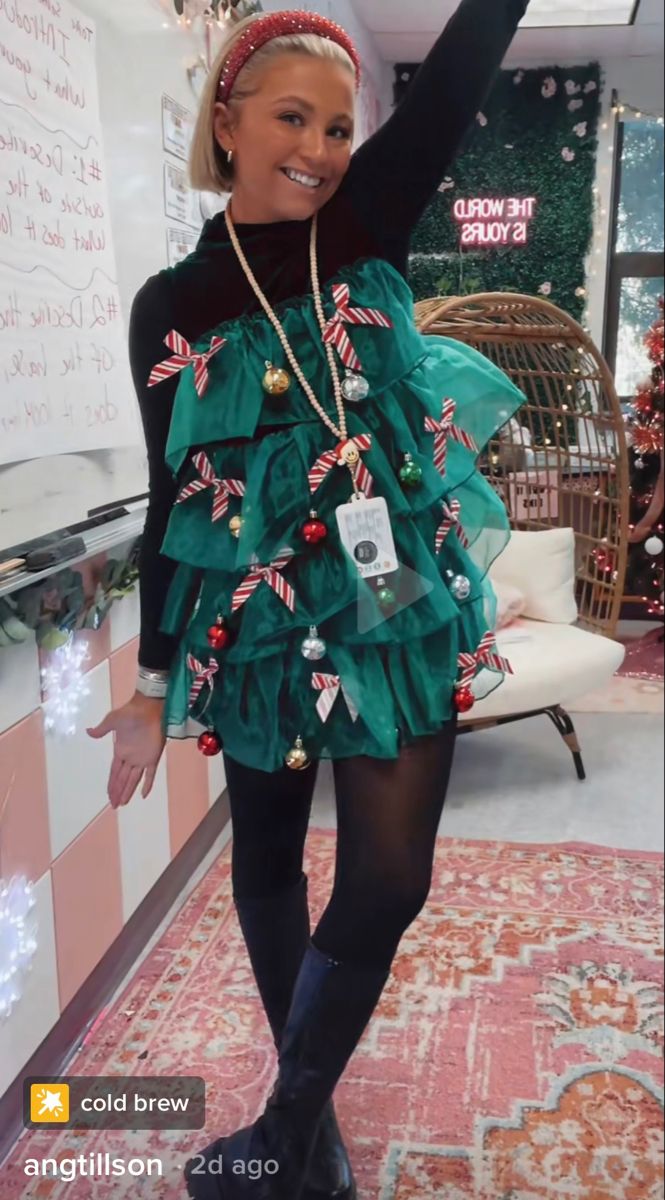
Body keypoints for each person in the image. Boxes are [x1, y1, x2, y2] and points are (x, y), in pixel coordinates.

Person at [88, 3, 529, 1197]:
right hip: (258, 621)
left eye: (338, 124)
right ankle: (306, 1134)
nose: (321, 147)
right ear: (224, 124)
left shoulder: (365, 222)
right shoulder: (169, 307)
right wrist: (146, 687)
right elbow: (168, 495)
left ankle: (281, 1131)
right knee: (269, 863)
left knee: (390, 878)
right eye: (293, 117)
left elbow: (454, 77)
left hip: (389, 604)